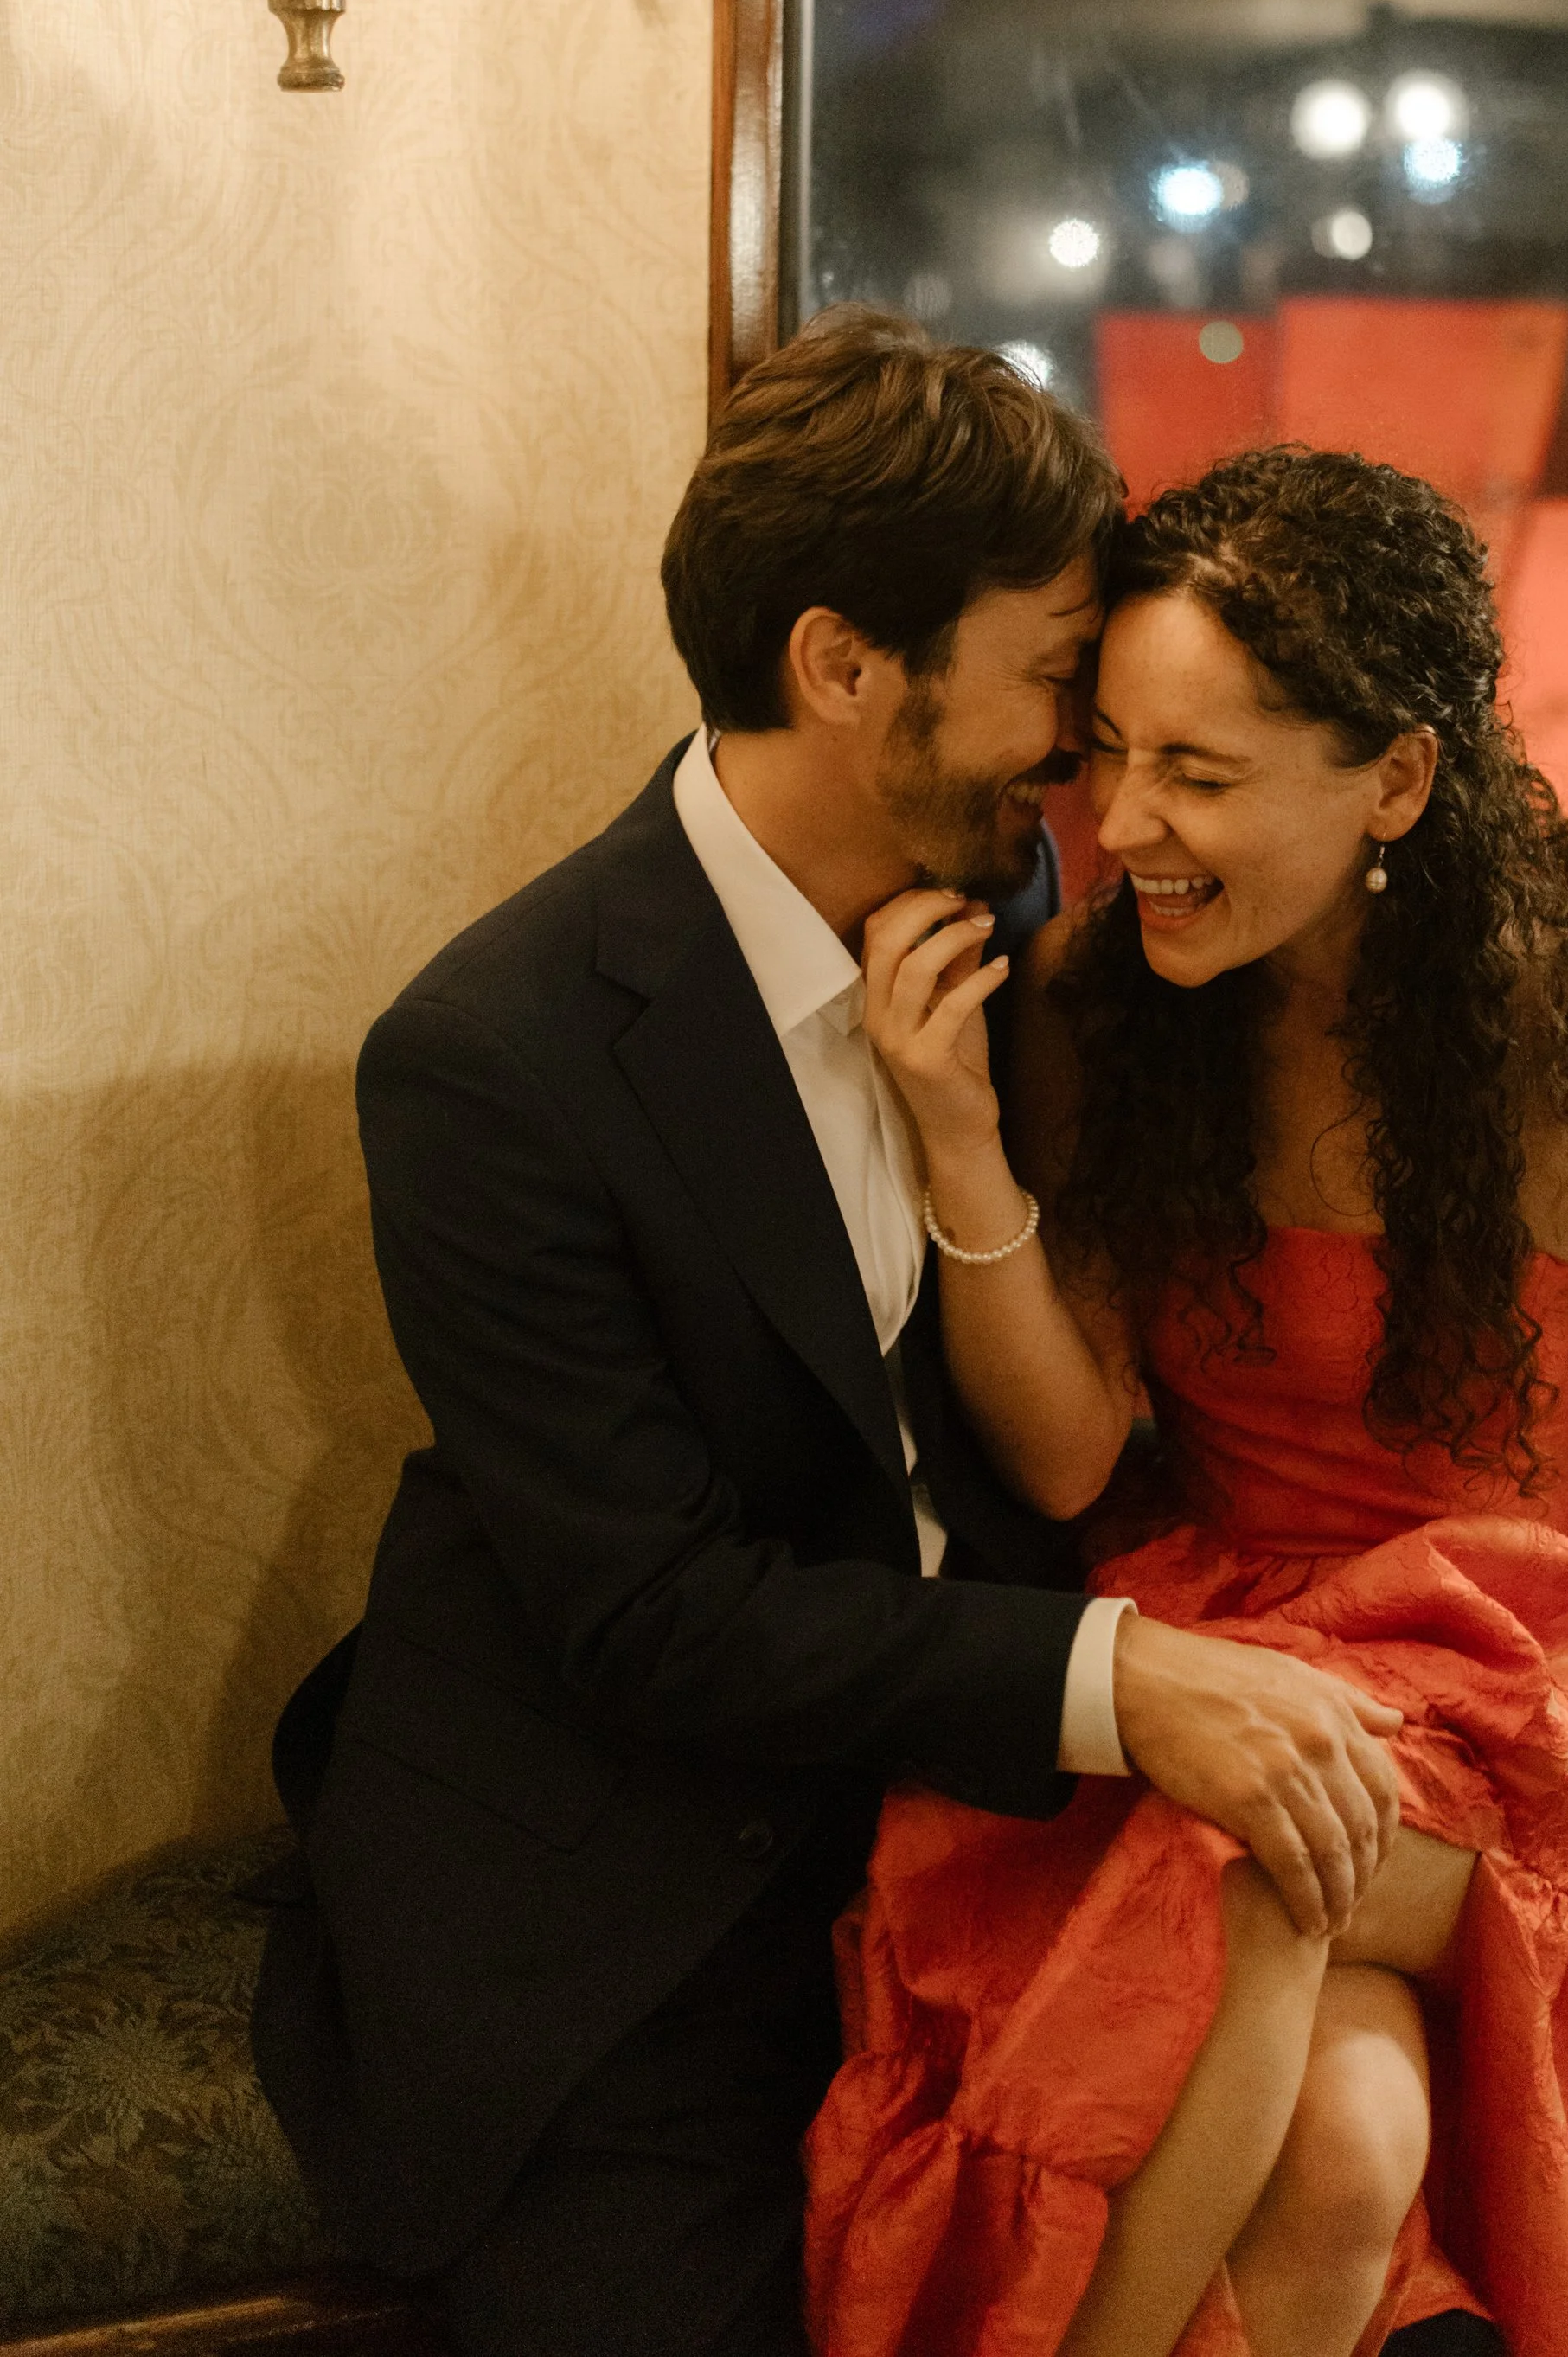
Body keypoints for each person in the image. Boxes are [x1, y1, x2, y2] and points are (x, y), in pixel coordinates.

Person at [251, 317, 1406, 2357]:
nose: (1086, 758)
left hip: (979, 1822)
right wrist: (1115, 1680)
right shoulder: (495, 1060)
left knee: (1356, 2162)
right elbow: (653, 1617)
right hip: (639, 1885)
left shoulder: (1045, 930)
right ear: (844, 668)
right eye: (1053, 678)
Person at [810, 443, 1568, 2357]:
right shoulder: (1097, 1005)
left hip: (1528, 1661)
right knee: (1346, 2150)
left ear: (1398, 779)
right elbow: (1068, 1449)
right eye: (1110, 754)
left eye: (1199, 773)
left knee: (1260, 1842)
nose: (1125, 821)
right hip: (1229, 1613)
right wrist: (959, 1139)